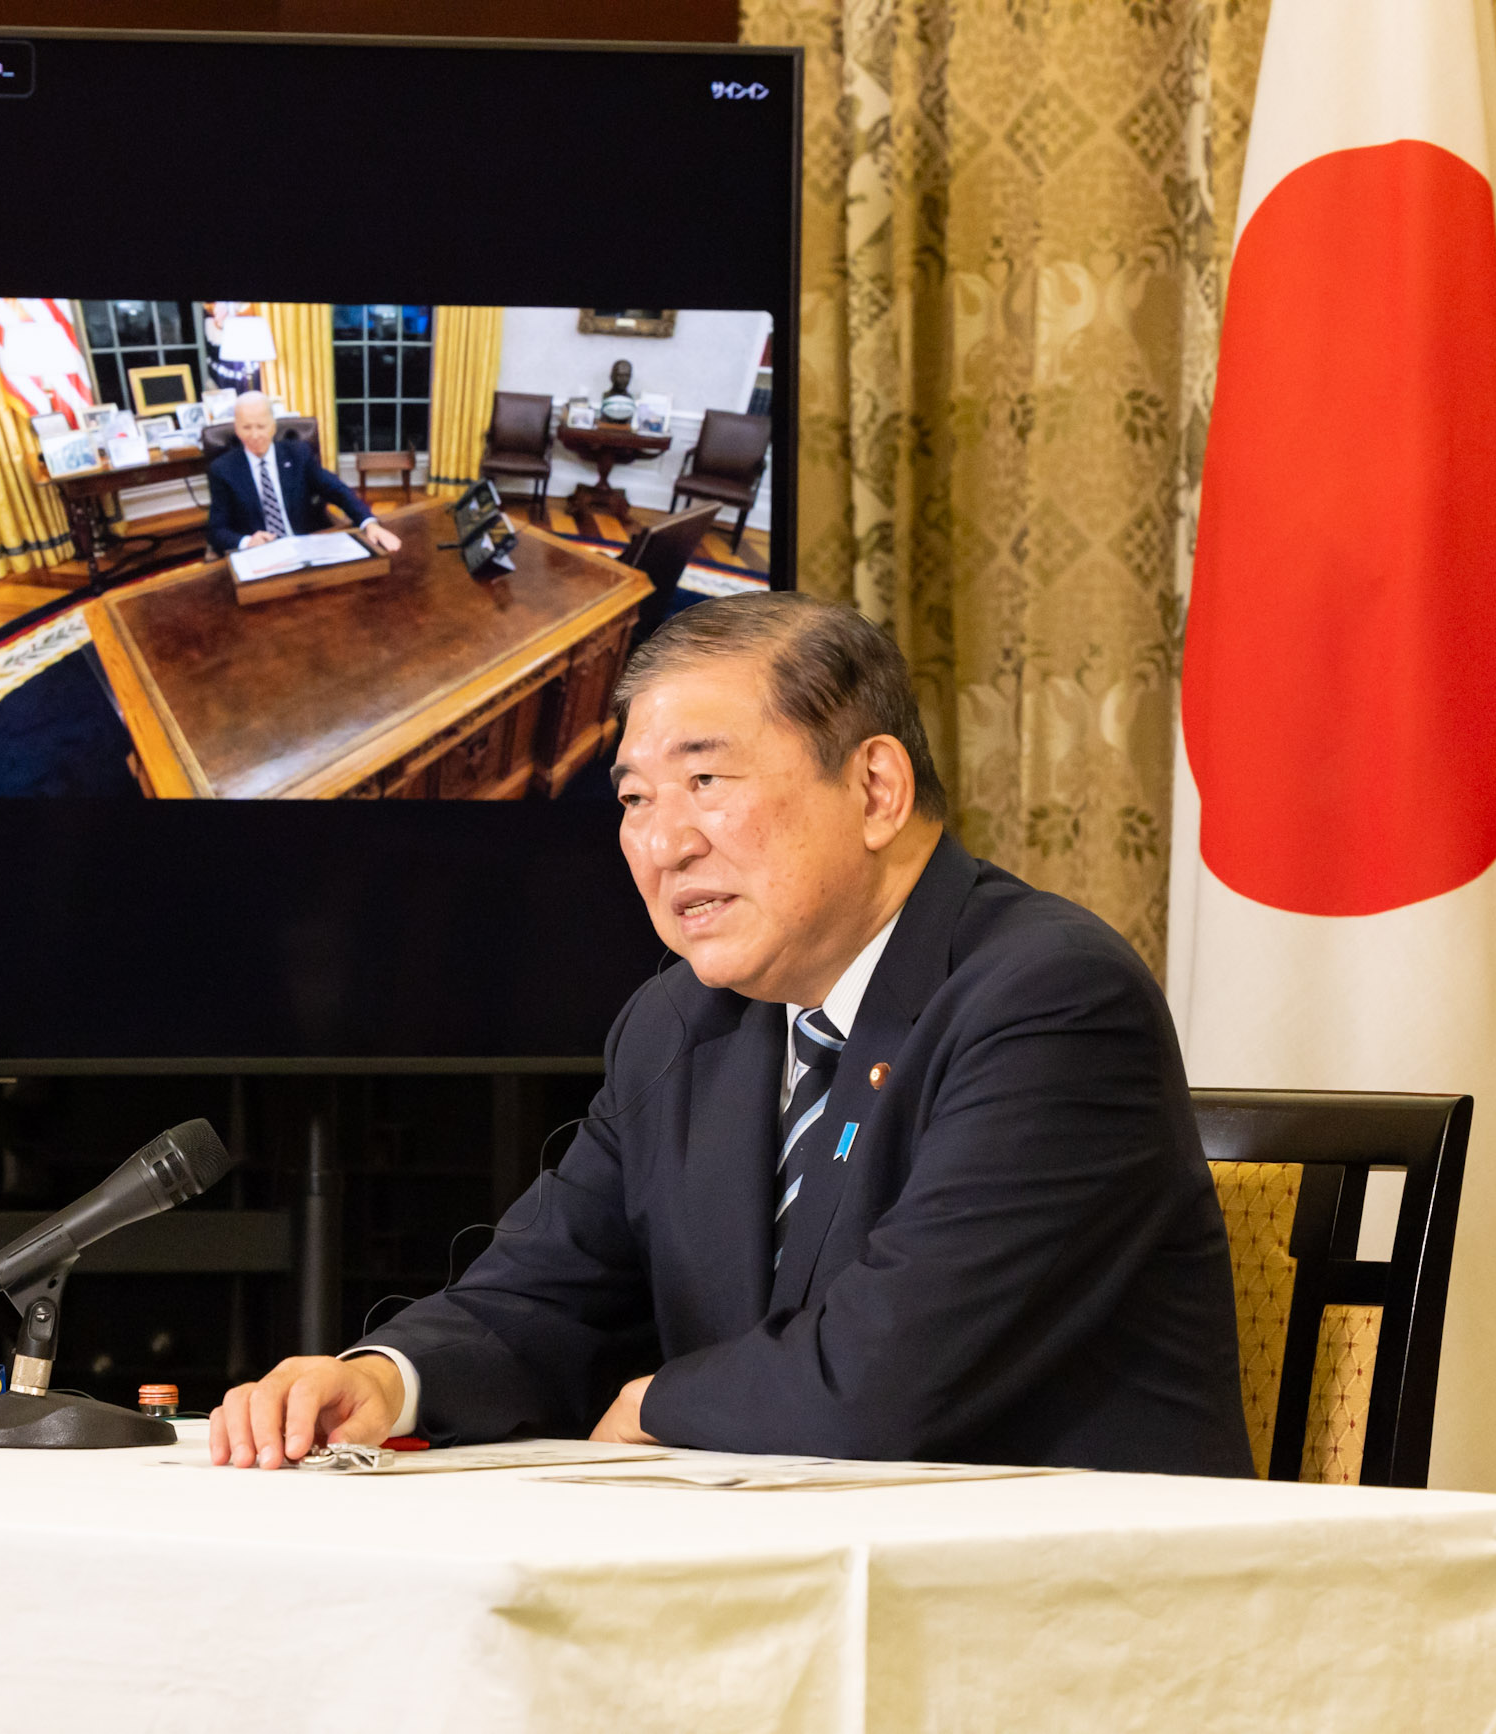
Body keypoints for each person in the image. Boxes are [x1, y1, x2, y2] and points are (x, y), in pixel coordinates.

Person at [210, 593, 1251, 1476]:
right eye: (633, 799)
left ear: (875, 790)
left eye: (706, 782)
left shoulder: (1048, 1000)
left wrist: (658, 1404)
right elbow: (541, 1291)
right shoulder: (678, 1022)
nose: (663, 842)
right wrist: (381, 1381)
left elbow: (881, 1381)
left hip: (1063, 1621)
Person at [204, 393, 402, 557]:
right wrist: (247, 542)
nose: (254, 435)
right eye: (247, 427)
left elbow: (337, 490)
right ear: (237, 428)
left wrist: (369, 523)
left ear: (273, 426)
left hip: (304, 549)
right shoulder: (222, 469)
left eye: (261, 426)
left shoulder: (298, 454)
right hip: (260, 556)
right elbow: (216, 530)